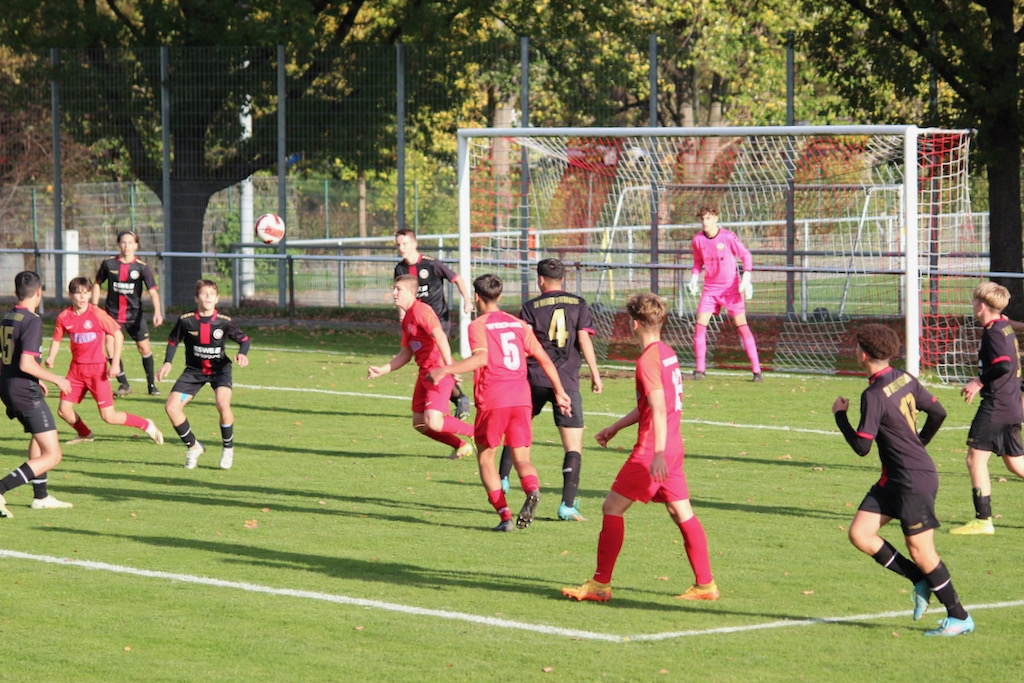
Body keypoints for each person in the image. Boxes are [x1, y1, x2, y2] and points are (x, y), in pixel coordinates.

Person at [562, 292, 718, 602]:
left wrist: (656, 454)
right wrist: (615, 428)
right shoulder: (667, 353)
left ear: (634, 324)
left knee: (611, 508)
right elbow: (650, 405)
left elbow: (658, 409)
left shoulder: (647, 360)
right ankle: (705, 585)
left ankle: (600, 585)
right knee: (681, 512)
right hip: (673, 447)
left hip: (653, 451)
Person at [832, 324, 973, 636]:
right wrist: (919, 443)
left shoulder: (872, 394)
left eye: (857, 347)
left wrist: (840, 416)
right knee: (860, 534)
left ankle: (959, 616)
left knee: (921, 551)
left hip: (913, 480)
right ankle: (919, 580)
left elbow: (862, 447)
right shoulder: (904, 378)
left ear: (863, 354)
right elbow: (938, 413)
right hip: (895, 478)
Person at [428, 274, 572, 532]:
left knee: (486, 459)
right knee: (522, 458)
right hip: (522, 399)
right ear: (500, 295)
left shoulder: (478, 325)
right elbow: (544, 359)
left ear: (477, 297)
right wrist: (560, 391)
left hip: (494, 399)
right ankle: (532, 489)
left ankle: (505, 517)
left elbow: (481, 359)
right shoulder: (519, 324)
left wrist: (445, 370)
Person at [496, 258, 603, 521]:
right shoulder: (578, 303)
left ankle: (503, 478)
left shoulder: (530, 307)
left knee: (516, 428)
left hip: (535, 378)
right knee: (573, 445)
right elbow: (583, 339)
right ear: (563, 279)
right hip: (566, 382)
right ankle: (567, 505)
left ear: (540, 280)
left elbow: (524, 345)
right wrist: (595, 373)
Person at [44, 277, 164, 446]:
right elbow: (57, 339)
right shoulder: (64, 317)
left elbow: (118, 335)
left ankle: (146, 424)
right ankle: (85, 434)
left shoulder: (97, 314)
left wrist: (115, 363)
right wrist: (51, 357)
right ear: (70, 295)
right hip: (76, 371)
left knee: (109, 417)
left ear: (90, 294)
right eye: (78, 293)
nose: (82, 297)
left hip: (97, 371)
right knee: (63, 411)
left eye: (86, 293)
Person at [367, 275, 475, 460]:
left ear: (411, 292)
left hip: (438, 371)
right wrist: (382, 370)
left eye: (398, 289)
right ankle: (461, 446)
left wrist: (449, 367)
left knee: (433, 421)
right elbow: (405, 354)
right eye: (394, 288)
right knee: (419, 423)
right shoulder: (407, 319)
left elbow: (440, 336)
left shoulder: (421, 311)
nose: (394, 293)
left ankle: (477, 432)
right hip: (425, 374)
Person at [950, 282, 1024, 535]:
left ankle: (983, 520)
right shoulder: (1002, 326)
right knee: (1016, 464)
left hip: (997, 407)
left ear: (981, 305)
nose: (972, 305)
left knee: (975, 459)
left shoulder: (994, 333)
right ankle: (983, 520)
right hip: (1010, 405)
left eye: (974, 301)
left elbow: (1003, 365)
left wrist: (978, 382)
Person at [0, 271, 75, 514]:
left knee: (38, 436)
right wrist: (57, 379)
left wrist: (36, 378)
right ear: (39, 293)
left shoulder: (7, 316)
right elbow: (26, 363)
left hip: (10, 386)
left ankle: (40, 497)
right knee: (53, 455)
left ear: (16, 292)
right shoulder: (32, 320)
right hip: (24, 391)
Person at [156, 279, 250, 470]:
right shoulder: (186, 320)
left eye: (211, 294)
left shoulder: (224, 322)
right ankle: (193, 447)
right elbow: (173, 341)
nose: (208, 297)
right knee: (172, 407)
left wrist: (242, 353)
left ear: (217, 299)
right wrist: (167, 362)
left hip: (220, 370)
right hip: (194, 371)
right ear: (196, 298)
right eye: (204, 293)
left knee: (222, 404)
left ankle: (228, 448)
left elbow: (245, 340)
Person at [395, 228, 474, 420]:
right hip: (416, 323)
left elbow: (457, 279)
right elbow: (401, 294)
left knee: (436, 362)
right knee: (427, 363)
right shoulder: (400, 268)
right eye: (398, 245)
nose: (401, 248)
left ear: (414, 244)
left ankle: (448, 401)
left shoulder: (431, 264)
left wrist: (467, 300)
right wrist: (402, 315)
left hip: (437, 321)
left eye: (405, 243)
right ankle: (454, 398)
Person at [686, 205, 762, 382]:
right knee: (699, 326)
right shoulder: (697, 240)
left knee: (742, 326)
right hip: (710, 289)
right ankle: (700, 370)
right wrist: (694, 278)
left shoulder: (727, 237)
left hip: (731, 289)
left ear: (716, 218)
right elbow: (697, 262)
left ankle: (757, 371)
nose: (705, 222)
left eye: (708, 218)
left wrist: (747, 277)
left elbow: (746, 255)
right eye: (703, 218)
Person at [93, 229, 164, 396]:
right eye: (123, 242)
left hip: (134, 315)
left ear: (136, 245)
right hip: (113, 315)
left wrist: (158, 312)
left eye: (130, 243)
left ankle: (151, 385)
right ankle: (124, 384)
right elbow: (97, 283)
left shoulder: (142, 267)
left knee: (144, 348)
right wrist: (94, 306)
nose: (126, 246)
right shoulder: (109, 264)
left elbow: (153, 291)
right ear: (119, 245)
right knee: (110, 345)